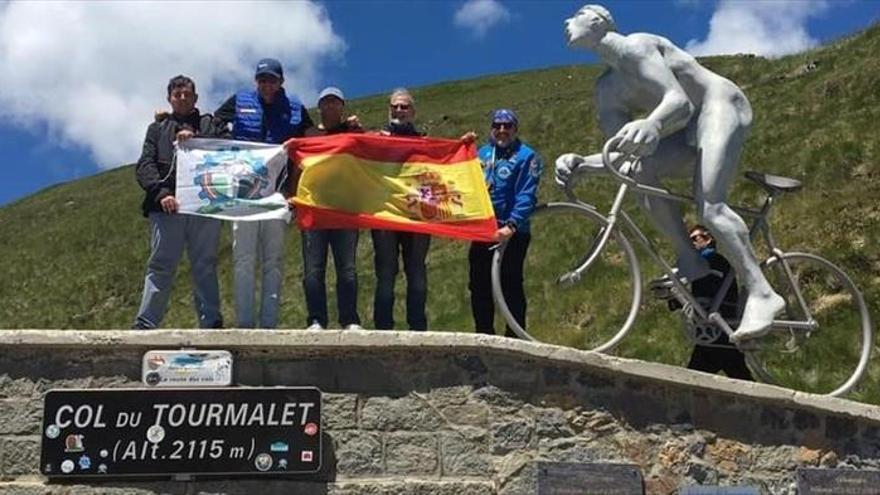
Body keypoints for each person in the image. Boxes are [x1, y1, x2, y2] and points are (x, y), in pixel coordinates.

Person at [555, 4, 784, 343]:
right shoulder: (607, 89)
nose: (565, 21)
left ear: (598, 21)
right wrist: (581, 164)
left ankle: (763, 293)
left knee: (711, 208)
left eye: (575, 14)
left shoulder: (637, 46)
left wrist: (652, 123)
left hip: (717, 106)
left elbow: (680, 102)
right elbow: (619, 154)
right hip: (683, 128)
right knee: (635, 168)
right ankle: (688, 257)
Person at [213, 58, 314, 328]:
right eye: (262, 80)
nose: (267, 85)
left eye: (272, 80)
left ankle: (269, 324)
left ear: (281, 82)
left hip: (278, 195)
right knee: (243, 258)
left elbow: (312, 143)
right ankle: (245, 324)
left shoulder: (295, 108)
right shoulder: (239, 100)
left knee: (273, 260)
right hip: (243, 194)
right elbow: (213, 125)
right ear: (256, 81)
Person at [133, 75, 222, 330]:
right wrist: (162, 194)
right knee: (161, 264)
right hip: (167, 208)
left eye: (187, 94)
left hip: (205, 206)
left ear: (196, 98)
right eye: (177, 94)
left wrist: (196, 137)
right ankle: (146, 323)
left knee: (205, 264)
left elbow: (226, 150)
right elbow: (144, 165)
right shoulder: (156, 129)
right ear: (169, 99)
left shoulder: (210, 123)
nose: (182, 98)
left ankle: (211, 322)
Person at [469, 109, 542, 337]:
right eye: (497, 125)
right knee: (478, 283)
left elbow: (526, 195)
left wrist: (511, 225)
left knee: (510, 282)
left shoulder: (527, 156)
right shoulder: (481, 154)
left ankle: (516, 336)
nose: (502, 130)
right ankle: (484, 334)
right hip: (484, 231)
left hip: (513, 231)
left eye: (507, 126)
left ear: (515, 129)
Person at [654, 225, 753, 380]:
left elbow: (706, 294)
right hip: (712, 336)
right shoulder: (700, 266)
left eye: (695, 238)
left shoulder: (714, 260)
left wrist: (677, 284)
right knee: (698, 380)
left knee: (694, 380)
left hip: (720, 332)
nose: (692, 243)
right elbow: (698, 300)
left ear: (708, 239)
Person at [301, 87, 363, 330]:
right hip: (314, 210)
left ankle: (349, 319)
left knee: (347, 268)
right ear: (319, 107)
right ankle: (316, 319)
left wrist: (358, 128)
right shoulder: (308, 134)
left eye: (335, 102)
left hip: (346, 211)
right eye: (326, 102)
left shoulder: (352, 132)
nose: (330, 106)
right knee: (313, 270)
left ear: (342, 107)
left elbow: (370, 153)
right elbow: (298, 167)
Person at [371, 88, 432, 331]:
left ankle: (418, 327)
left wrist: (464, 147)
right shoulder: (375, 139)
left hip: (416, 215)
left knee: (416, 271)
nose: (399, 111)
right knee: (386, 271)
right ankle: (383, 328)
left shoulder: (425, 142)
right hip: (385, 214)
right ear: (389, 110)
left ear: (413, 111)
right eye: (395, 106)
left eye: (404, 107)